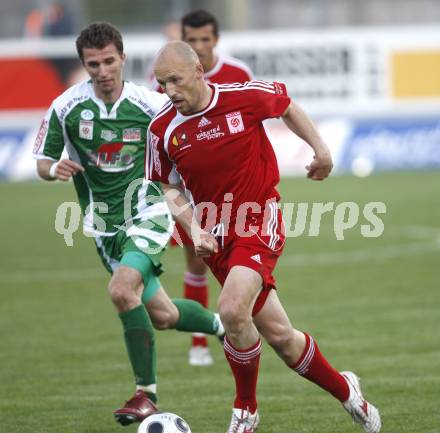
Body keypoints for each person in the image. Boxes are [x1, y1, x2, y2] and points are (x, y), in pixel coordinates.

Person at [148, 41, 382, 433]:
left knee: (232, 308)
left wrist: (321, 150)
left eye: (176, 80)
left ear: (198, 73)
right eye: (162, 82)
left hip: (258, 219)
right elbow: (166, 186)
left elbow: (286, 105)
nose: (169, 90)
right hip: (216, 239)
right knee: (281, 338)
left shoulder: (244, 97)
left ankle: (246, 410)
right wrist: (194, 226)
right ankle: (348, 391)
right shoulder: (162, 129)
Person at [33, 23, 224, 427]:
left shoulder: (149, 104)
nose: (102, 70)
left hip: (148, 212)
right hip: (104, 227)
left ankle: (145, 396)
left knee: (122, 290)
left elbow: (184, 140)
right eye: (92, 64)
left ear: (122, 57)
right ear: (84, 65)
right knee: (164, 315)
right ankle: (226, 325)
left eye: (108, 61)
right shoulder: (66, 108)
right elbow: (42, 161)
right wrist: (56, 169)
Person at [163, 9, 255, 367]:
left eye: (205, 39)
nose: (199, 46)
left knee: (241, 269)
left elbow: (255, 121)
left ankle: (238, 325)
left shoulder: (237, 74)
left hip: (240, 194)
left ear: (216, 39)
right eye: (193, 40)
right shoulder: (170, 79)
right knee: (196, 262)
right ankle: (199, 342)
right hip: (194, 193)